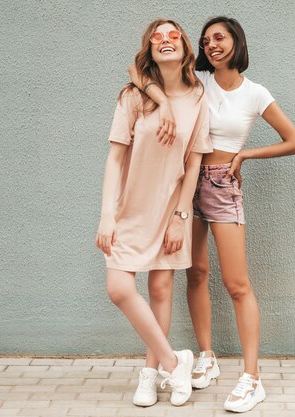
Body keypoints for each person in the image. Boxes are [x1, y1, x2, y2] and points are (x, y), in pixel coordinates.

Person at [129, 16, 295, 413]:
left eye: (219, 38)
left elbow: (294, 142)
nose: (211, 46)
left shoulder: (256, 94)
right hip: (184, 183)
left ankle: (252, 378)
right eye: (206, 41)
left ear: (236, 42)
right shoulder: (197, 80)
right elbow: (138, 71)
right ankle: (206, 357)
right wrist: (160, 103)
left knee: (236, 283)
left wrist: (245, 154)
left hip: (223, 185)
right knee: (195, 272)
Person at [96, 19, 213, 408]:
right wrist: (107, 216)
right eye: (156, 37)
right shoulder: (133, 96)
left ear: (184, 45)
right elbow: (115, 159)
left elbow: (193, 162)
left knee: (161, 289)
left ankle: (150, 375)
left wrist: (181, 217)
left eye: (173, 34)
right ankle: (173, 360)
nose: (165, 40)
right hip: (130, 208)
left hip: (169, 208)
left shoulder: (199, 97)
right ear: (148, 48)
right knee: (119, 288)